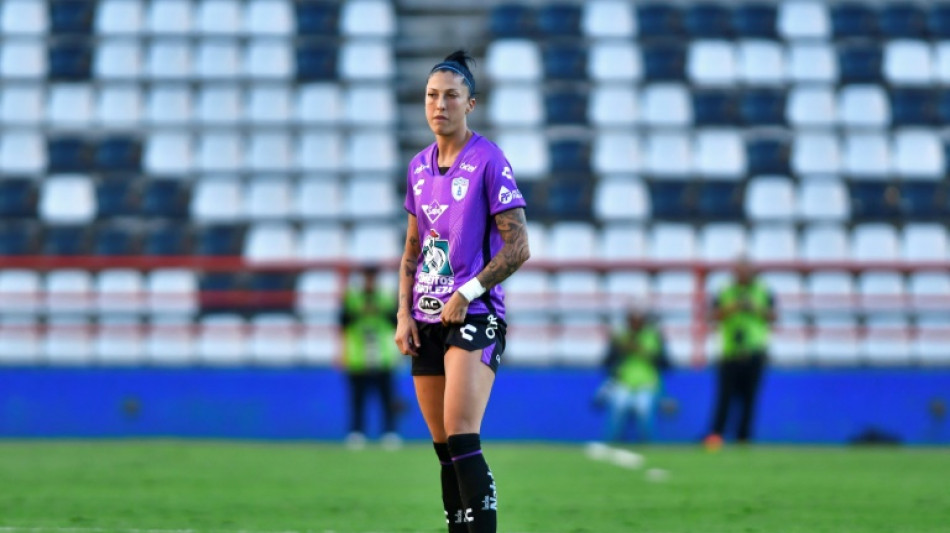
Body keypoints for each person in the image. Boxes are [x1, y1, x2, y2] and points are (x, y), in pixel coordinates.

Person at [394, 50, 530, 533]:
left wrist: (467, 292)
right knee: (444, 450)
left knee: (461, 437)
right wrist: (403, 315)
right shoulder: (418, 167)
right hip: (426, 318)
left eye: (451, 96)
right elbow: (412, 250)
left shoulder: (489, 160)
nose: (440, 105)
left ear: (470, 104)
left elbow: (519, 248)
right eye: (432, 95)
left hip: (474, 314)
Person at [704, 258, 776, 450]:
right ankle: (716, 436)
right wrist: (732, 307)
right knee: (724, 398)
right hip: (730, 353)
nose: (742, 274)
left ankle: (743, 438)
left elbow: (774, 316)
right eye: (739, 270)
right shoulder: (724, 290)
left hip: (755, 352)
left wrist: (755, 308)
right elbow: (711, 316)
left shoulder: (763, 290)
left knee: (750, 399)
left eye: (746, 270)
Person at [339, 266, 402, 450]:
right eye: (367, 278)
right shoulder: (352, 298)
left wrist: (378, 310)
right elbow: (343, 322)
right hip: (358, 356)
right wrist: (361, 312)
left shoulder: (385, 297)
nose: (369, 282)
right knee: (358, 398)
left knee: (386, 397)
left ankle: (390, 432)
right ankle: (356, 432)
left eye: (372, 278)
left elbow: (396, 321)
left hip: (383, 356)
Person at [597, 309, 669, 443]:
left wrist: (640, 350)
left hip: (647, 383)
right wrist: (620, 348)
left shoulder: (652, 336)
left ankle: (649, 444)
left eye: (638, 320)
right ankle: (611, 443)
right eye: (632, 320)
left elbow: (665, 363)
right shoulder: (621, 336)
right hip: (623, 382)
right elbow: (607, 361)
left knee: (644, 409)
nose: (635, 323)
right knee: (618, 407)